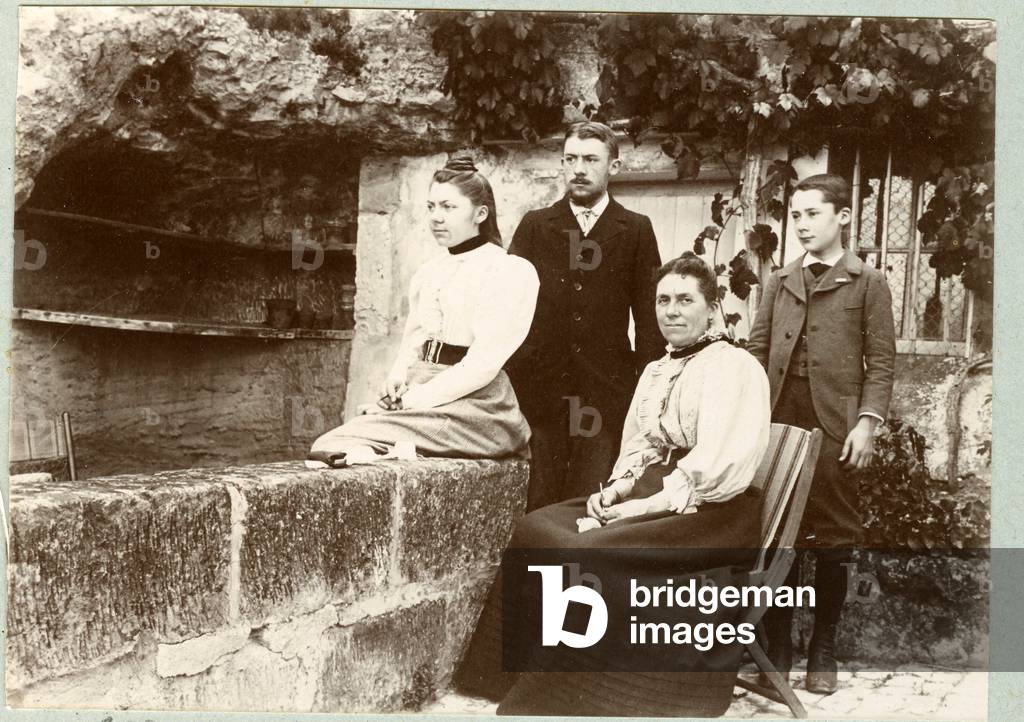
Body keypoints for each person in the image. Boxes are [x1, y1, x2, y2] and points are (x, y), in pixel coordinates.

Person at [454, 253, 771, 717]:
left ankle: (574, 694)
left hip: (710, 514)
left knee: (586, 550)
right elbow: (641, 447)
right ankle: (505, 675)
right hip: (654, 489)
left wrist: (637, 509)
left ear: (712, 308)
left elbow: (717, 468)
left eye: (685, 300)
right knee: (536, 528)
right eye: (663, 300)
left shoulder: (734, 368)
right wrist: (616, 491)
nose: (672, 311)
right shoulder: (657, 369)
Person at [747, 173, 896, 694]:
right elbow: (758, 351)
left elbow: (881, 363)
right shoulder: (779, 280)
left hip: (837, 424)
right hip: (779, 419)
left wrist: (867, 424)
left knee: (833, 541)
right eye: (796, 215)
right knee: (777, 536)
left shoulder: (868, 281)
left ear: (842, 216)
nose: (803, 224)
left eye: (813, 214)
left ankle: (823, 650)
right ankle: (779, 651)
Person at [306, 157, 539, 465]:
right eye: (431, 207)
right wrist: (397, 379)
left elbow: (483, 365)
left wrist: (411, 402)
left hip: (477, 404)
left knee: (338, 442)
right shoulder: (429, 272)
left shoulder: (508, 270)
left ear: (480, 214)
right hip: (423, 389)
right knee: (342, 440)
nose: (436, 217)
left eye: (448, 207)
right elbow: (414, 341)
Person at [505, 121, 663, 510]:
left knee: (591, 502)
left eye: (591, 160)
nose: (579, 169)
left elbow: (649, 321)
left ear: (614, 166)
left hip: (604, 396)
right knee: (539, 503)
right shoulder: (535, 225)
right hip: (542, 397)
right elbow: (507, 311)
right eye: (570, 159)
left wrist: (647, 392)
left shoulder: (635, 229)